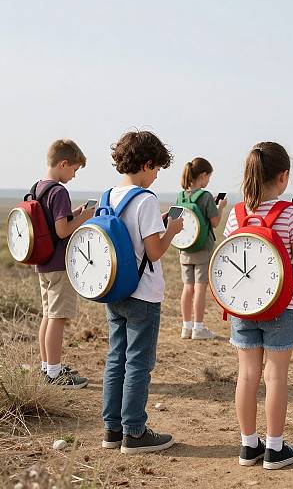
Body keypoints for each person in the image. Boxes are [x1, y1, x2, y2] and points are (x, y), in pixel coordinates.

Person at [223, 142, 293, 469]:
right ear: (283, 177)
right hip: (280, 307)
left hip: (242, 306)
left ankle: (248, 445)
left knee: (246, 375)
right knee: (275, 377)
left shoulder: (235, 215)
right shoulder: (292, 215)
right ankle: (275, 448)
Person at [101, 131, 184, 454]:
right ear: (147, 163)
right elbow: (154, 251)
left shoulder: (109, 195)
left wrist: (158, 225)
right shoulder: (145, 199)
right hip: (144, 294)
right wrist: (171, 230)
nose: (156, 176)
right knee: (138, 363)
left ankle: (112, 430)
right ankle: (134, 433)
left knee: (115, 359)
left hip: (115, 290)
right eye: (157, 169)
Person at [37, 139, 94, 389]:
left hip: (43, 262)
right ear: (63, 164)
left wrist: (75, 213)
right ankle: (55, 373)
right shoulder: (59, 191)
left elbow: (52, 222)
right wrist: (85, 217)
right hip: (60, 264)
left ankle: (46, 366)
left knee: (48, 315)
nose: (74, 175)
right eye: (74, 169)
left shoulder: (39, 187)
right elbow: (62, 231)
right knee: (58, 318)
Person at [178, 158, 227, 340]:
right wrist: (220, 207)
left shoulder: (181, 196)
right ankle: (198, 328)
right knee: (200, 288)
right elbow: (214, 222)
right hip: (203, 249)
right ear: (203, 176)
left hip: (185, 248)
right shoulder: (205, 196)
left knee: (187, 287)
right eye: (208, 177)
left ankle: (186, 327)